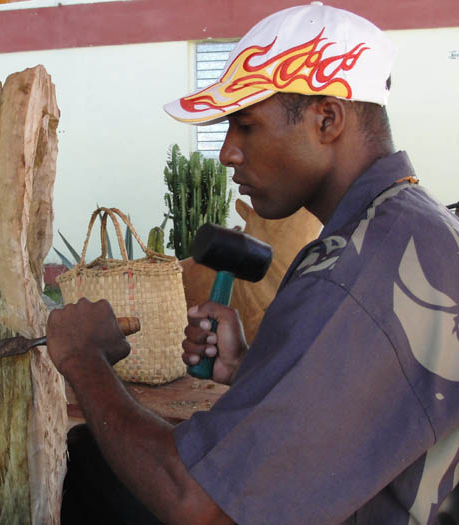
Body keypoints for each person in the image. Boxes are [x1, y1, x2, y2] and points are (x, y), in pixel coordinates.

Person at [46, 3, 459, 523]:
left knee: (89, 461)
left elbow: (203, 504)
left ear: (326, 118)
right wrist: (252, 368)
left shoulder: (353, 270)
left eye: (245, 126)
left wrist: (84, 359)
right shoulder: (410, 224)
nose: (226, 153)